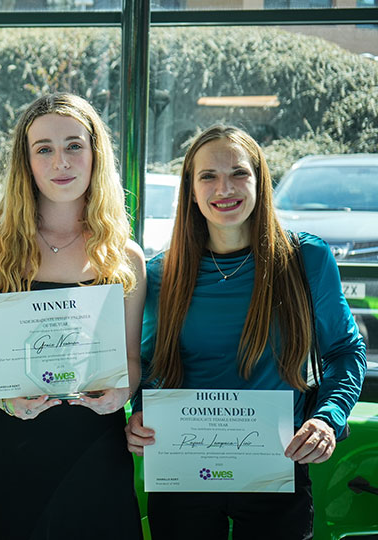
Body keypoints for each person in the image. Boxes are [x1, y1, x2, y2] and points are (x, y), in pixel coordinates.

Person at [124, 125, 366, 540]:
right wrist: (139, 416)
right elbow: (148, 366)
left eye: (238, 173)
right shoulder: (161, 274)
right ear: (192, 189)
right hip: (184, 469)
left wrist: (328, 418)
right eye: (208, 176)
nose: (225, 188)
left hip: (277, 464)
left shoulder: (306, 258)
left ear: (259, 180)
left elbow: (345, 351)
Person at [0, 92, 146, 539]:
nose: (61, 163)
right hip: (8, 450)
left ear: (95, 154)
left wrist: (120, 395)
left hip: (95, 451)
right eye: (45, 149)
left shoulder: (123, 256)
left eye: (74, 145)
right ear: (27, 162)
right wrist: (2, 397)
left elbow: (131, 361)